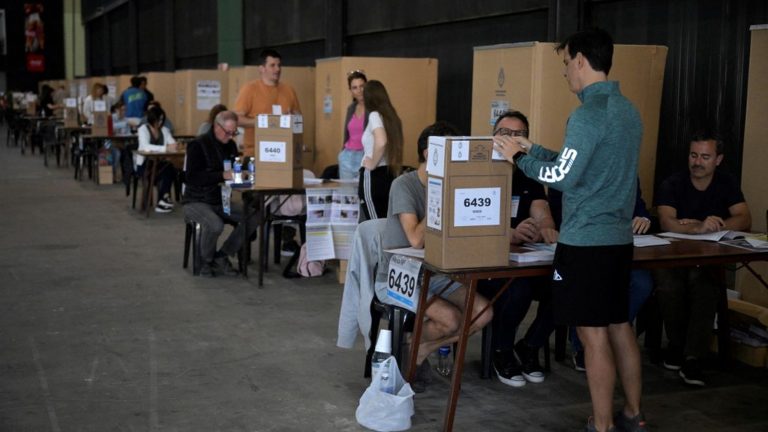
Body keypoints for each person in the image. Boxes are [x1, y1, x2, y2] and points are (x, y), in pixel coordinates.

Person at [493, 28, 645, 432]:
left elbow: (561, 175)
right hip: (617, 241)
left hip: (585, 243)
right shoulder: (627, 111)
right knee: (619, 326)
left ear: (579, 59)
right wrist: (531, 147)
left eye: (565, 64)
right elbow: (577, 163)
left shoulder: (587, 114)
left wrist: (517, 159)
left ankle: (601, 424)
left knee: (592, 335)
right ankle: (633, 413)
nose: (565, 73)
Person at [378, 121, 493, 392]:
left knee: (483, 312)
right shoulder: (403, 185)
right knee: (451, 319)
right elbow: (416, 239)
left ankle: (415, 348)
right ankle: (414, 350)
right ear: (430, 154)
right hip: (400, 275)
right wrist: (442, 195)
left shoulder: (455, 183)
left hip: (437, 273)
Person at [653, 132, 751, 386]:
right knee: (668, 283)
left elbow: (744, 218)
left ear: (718, 159)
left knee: (705, 283)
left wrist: (716, 226)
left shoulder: (726, 183)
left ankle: (693, 357)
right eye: (693, 155)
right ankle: (677, 346)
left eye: (705, 156)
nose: (697, 161)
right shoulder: (673, 183)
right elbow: (666, 222)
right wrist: (697, 228)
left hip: (707, 257)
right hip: (671, 256)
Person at [478, 111, 558, 389]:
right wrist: (509, 233)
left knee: (567, 284)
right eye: (503, 133)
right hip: (486, 265)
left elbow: (542, 212)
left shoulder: (527, 173)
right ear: (492, 137)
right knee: (518, 289)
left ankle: (530, 345)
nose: (510, 140)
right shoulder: (478, 171)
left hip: (526, 261)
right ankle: (501, 351)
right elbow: (468, 227)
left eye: (518, 134)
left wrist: (542, 227)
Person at [557, 181, 654, 372]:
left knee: (642, 283)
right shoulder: (575, 168)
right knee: (586, 287)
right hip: (585, 246)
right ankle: (584, 347)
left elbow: (638, 206)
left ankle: (610, 338)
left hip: (618, 247)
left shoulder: (624, 168)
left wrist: (644, 218)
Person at [183, 110, 259, 277]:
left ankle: (222, 255)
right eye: (228, 132)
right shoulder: (197, 145)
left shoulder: (230, 146)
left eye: (234, 132)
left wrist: (242, 174)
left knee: (254, 216)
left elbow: (232, 170)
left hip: (220, 199)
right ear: (216, 126)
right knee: (215, 224)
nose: (231, 136)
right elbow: (192, 177)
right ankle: (206, 261)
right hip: (196, 200)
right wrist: (222, 175)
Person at [233, 48, 301, 157]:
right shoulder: (250, 89)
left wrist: (291, 119)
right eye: (272, 65)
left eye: (279, 65)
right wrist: (263, 122)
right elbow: (236, 119)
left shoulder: (289, 90)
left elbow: (298, 119)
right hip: (255, 153)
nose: (277, 69)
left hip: (283, 152)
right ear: (261, 68)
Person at [358, 80, 403, 221]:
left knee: (375, 223)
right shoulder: (392, 117)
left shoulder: (374, 115)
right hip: (389, 174)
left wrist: (372, 163)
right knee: (386, 221)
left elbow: (382, 141)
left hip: (374, 175)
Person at [134, 105, 178, 214]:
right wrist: (165, 148)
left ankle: (163, 199)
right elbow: (145, 147)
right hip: (144, 164)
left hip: (159, 164)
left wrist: (173, 146)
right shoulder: (143, 129)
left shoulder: (165, 130)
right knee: (163, 171)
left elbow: (173, 143)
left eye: (162, 119)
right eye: (159, 119)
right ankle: (164, 198)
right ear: (152, 119)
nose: (161, 122)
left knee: (170, 167)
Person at [338, 70, 368, 179]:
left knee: (362, 194)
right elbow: (347, 135)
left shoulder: (373, 109)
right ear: (350, 91)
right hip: (347, 156)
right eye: (354, 88)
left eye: (362, 86)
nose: (359, 90)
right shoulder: (351, 109)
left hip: (365, 156)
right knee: (346, 194)